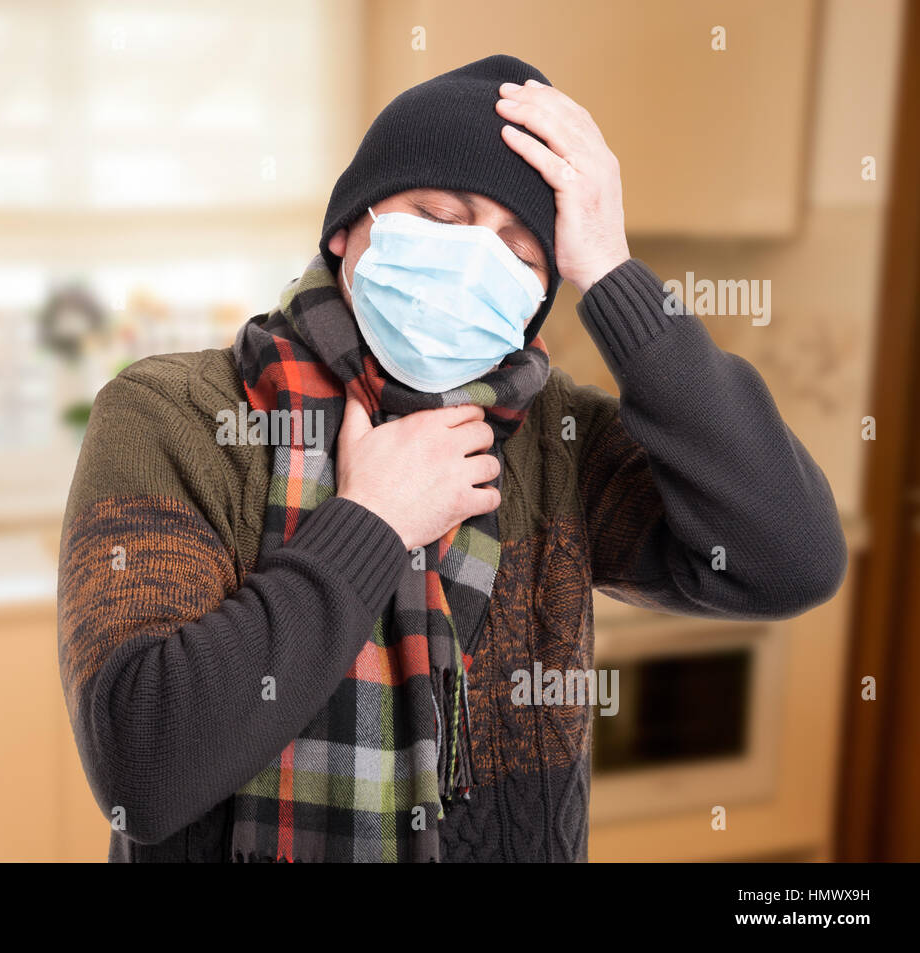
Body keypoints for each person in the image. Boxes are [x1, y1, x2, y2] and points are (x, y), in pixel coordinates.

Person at [56, 55, 847, 862]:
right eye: (438, 214)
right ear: (346, 230)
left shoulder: (555, 438)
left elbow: (790, 560)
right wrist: (370, 523)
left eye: (518, 250)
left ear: (540, 298)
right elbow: (142, 767)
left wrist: (613, 275)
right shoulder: (175, 415)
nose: (474, 259)